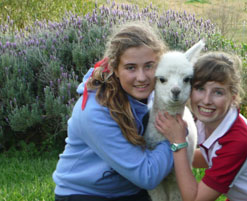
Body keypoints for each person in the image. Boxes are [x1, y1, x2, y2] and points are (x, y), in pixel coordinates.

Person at [53, 21, 174, 201]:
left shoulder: (156, 93)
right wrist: (175, 139)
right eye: (130, 67)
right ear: (115, 69)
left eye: (149, 66)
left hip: (130, 191)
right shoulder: (94, 112)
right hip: (85, 194)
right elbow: (147, 176)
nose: (141, 77)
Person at [155, 51, 247, 201]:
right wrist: (161, 159)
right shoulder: (212, 121)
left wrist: (178, 144)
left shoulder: (237, 140)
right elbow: (212, 157)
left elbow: (195, 198)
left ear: (233, 96)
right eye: (199, 88)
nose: (206, 100)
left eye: (218, 92)